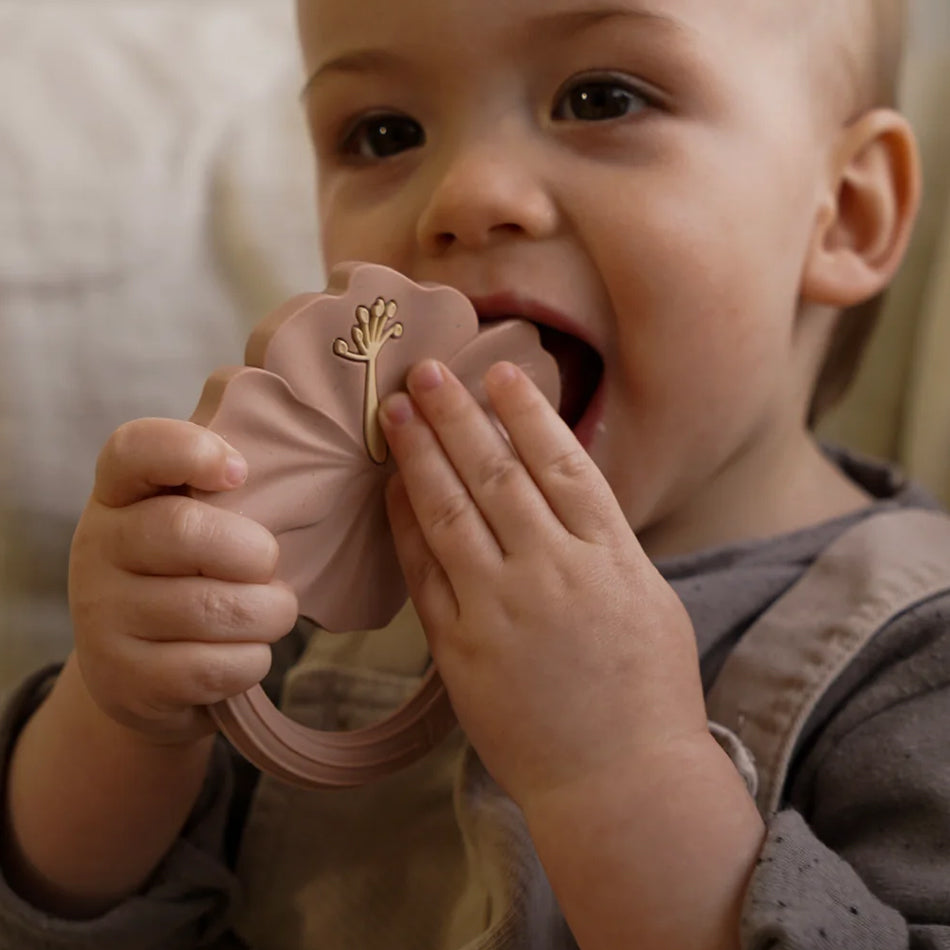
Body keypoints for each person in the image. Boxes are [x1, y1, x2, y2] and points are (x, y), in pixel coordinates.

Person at [1, 0, 946, 947]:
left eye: (602, 98)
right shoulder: (310, 572)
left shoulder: (916, 662)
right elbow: (65, 919)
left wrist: (621, 770)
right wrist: (122, 716)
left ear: (846, 213)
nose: (464, 195)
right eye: (384, 133)